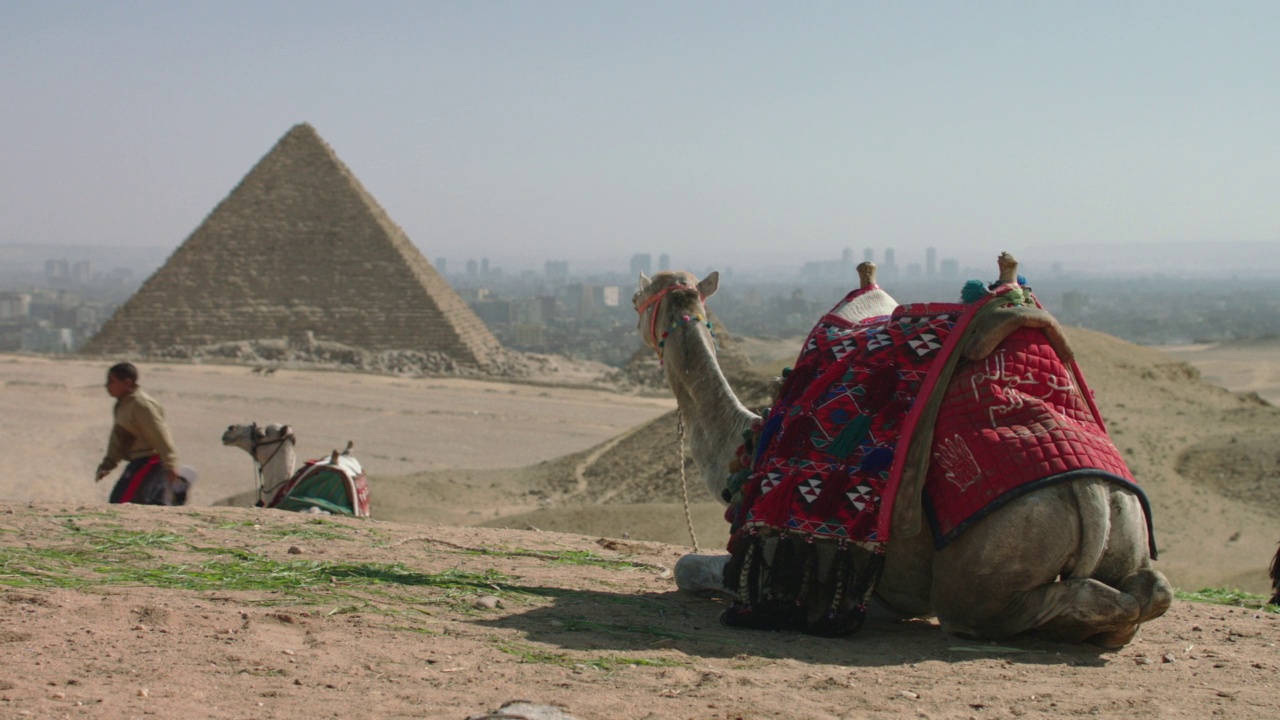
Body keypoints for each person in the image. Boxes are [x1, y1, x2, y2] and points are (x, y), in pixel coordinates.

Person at [94, 362, 190, 505]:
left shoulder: (142, 405)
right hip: (137, 461)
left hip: (151, 461)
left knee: (123, 501)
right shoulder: (122, 405)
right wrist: (108, 464)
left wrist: (171, 466)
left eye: (111, 381)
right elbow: (118, 437)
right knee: (124, 500)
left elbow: (161, 435)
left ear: (127, 382)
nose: (107, 386)